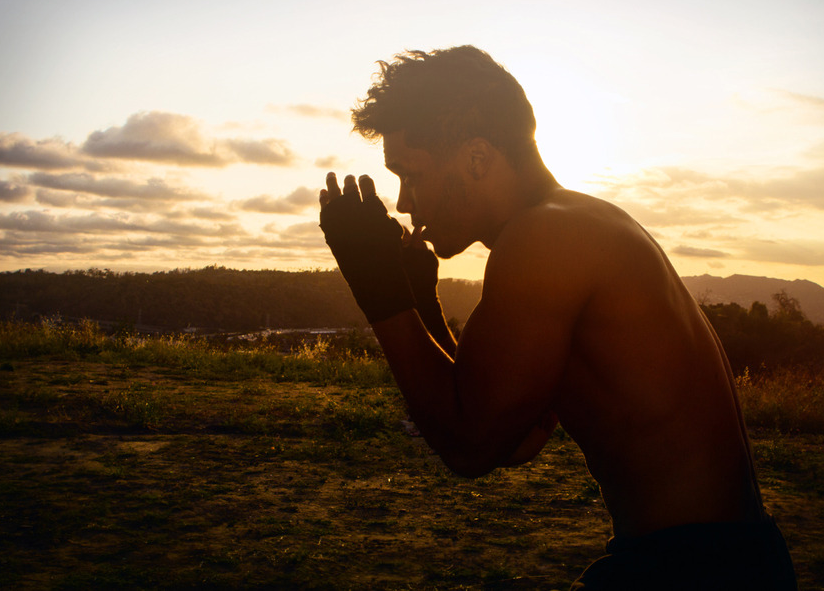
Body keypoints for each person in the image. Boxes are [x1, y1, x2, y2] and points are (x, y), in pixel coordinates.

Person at [317, 45, 797, 590]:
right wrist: (419, 299)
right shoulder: (569, 224)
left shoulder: (546, 239)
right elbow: (507, 435)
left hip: (697, 569)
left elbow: (469, 447)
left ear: (477, 158)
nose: (404, 201)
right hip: (711, 560)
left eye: (413, 174)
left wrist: (381, 294)